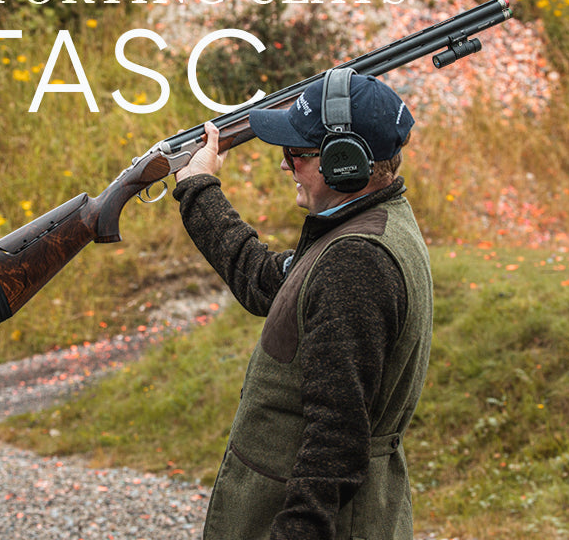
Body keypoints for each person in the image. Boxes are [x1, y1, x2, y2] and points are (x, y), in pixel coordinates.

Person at [173, 69, 432, 540]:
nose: (284, 165)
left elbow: (336, 440)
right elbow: (264, 282)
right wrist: (198, 187)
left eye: (297, 153)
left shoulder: (355, 260)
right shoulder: (363, 229)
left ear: (344, 163)